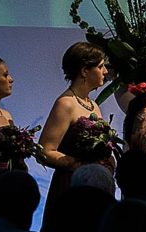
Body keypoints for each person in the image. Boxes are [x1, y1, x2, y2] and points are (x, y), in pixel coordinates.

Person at [39, 42, 109, 222]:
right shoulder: (66, 104)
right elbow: (45, 151)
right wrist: (79, 165)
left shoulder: (94, 105)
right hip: (71, 186)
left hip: (94, 187)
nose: (106, 71)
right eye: (101, 67)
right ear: (84, 71)